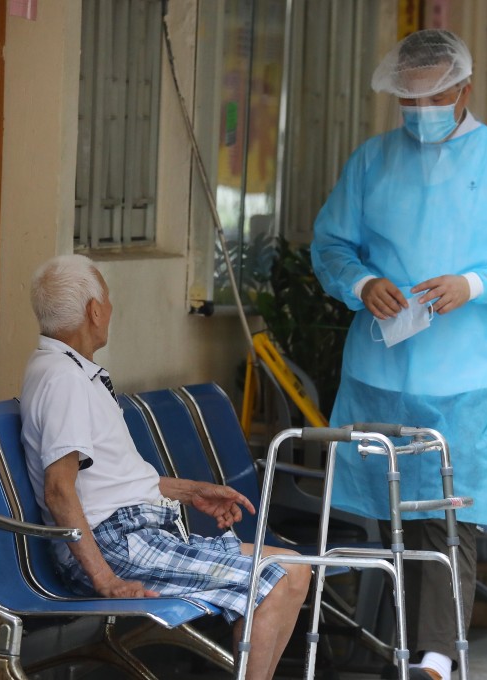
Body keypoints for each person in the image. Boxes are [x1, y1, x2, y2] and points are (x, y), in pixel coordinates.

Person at [311, 29, 487, 680]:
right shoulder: (372, 161)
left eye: (434, 97)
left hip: (465, 376)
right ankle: (389, 649)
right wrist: (363, 283)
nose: (421, 111)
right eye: (410, 100)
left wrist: (472, 284)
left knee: (450, 518)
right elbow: (331, 244)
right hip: (382, 369)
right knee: (383, 517)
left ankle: (436, 657)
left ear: (464, 89)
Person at [19, 254, 311, 680]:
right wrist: (104, 579)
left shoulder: (68, 370)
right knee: (276, 582)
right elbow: (59, 489)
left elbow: (110, 480)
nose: (110, 309)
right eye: (108, 299)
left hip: (134, 535)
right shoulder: (64, 380)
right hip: (115, 545)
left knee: (296, 567)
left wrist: (192, 492)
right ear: (94, 310)